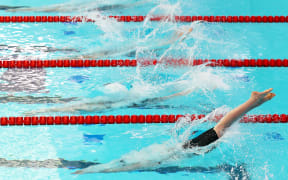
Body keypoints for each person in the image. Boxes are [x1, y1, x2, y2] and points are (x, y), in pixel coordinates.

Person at [72, 88, 275, 174]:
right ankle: (253, 102)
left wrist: (88, 170)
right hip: (183, 149)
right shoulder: (148, 159)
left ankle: (252, 101)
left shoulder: (146, 162)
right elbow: (117, 166)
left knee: (220, 129)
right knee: (221, 131)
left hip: (185, 149)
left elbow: (117, 168)